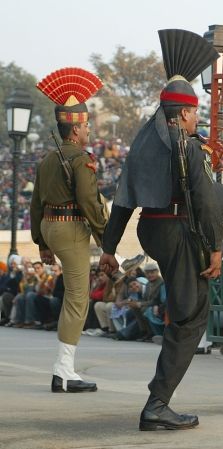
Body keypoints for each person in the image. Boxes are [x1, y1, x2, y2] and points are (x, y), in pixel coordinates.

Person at [100, 29, 223, 431]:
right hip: (179, 228)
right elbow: (202, 204)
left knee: (220, 194)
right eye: (194, 111)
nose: (196, 116)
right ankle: (158, 403)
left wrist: (109, 247)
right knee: (190, 318)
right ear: (183, 113)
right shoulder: (188, 145)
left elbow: (122, 200)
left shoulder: (144, 141)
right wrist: (216, 248)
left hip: (152, 229)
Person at [31, 67, 107, 393]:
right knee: (78, 298)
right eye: (86, 125)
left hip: (50, 227)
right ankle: (64, 372)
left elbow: (35, 202)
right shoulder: (81, 158)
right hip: (71, 228)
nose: (89, 129)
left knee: (70, 298)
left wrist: (40, 243)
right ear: (75, 129)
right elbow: (90, 203)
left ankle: (64, 370)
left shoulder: (48, 159)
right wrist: (108, 241)